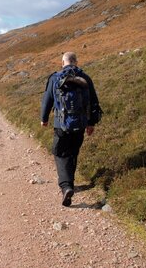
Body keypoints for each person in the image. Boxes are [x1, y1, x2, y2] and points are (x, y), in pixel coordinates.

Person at [40, 52, 102, 207]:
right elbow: (93, 102)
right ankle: (70, 184)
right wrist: (91, 123)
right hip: (80, 124)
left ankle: (66, 186)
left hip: (61, 125)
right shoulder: (85, 78)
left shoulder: (55, 78)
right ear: (76, 62)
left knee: (60, 153)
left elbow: (47, 100)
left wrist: (44, 119)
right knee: (73, 152)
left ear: (63, 62)